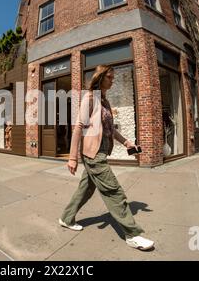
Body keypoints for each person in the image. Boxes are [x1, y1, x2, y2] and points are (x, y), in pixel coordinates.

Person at [60, 65, 155, 251]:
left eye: (113, 77)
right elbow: (78, 127)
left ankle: (66, 218)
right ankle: (132, 234)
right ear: (101, 78)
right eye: (110, 77)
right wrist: (72, 158)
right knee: (114, 191)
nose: (113, 80)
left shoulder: (104, 101)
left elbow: (110, 130)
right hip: (93, 153)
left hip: (102, 150)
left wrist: (127, 142)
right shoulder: (90, 98)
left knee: (85, 190)